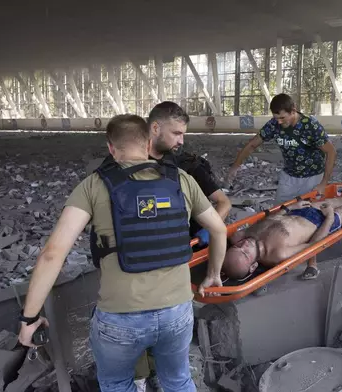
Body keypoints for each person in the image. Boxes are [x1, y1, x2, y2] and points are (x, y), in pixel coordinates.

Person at [17, 111, 227, 392]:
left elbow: (52, 254)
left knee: (117, 383)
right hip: (176, 311)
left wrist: (29, 319)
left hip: (120, 319)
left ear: (111, 148)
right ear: (147, 141)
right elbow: (219, 229)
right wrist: (213, 274)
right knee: (178, 381)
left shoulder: (94, 185)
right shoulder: (182, 180)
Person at [134, 144, 232, 392]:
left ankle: (161, 369)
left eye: (181, 133)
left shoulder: (189, 171)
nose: (180, 138)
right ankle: (147, 374)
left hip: (182, 248)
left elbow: (222, 203)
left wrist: (209, 228)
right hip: (155, 251)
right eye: (176, 133)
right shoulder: (134, 169)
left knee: (167, 311)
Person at [226, 93, 337, 279]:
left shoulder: (310, 126)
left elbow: (331, 152)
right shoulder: (274, 125)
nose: (278, 122)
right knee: (278, 213)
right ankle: (266, 259)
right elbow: (253, 144)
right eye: (276, 118)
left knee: (310, 218)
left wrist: (323, 183)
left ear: (293, 111)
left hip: (312, 177)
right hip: (288, 176)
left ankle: (312, 264)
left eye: (282, 117)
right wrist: (236, 166)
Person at [222, 174, 342, 280]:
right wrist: (330, 217)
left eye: (237, 247)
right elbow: (312, 246)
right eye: (245, 254)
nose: (243, 245)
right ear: (254, 265)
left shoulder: (243, 237)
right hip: (319, 223)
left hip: (300, 211)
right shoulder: (278, 253)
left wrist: (289, 208)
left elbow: (268, 221)